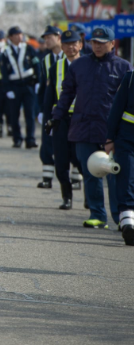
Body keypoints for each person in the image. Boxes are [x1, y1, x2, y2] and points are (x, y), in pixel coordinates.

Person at [52, 27, 132, 229]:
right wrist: (56, 117)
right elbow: (67, 93)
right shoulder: (79, 65)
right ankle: (97, 214)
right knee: (91, 173)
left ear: (112, 44)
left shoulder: (123, 68)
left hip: (112, 133)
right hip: (84, 128)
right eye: (94, 42)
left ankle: (120, 218)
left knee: (116, 175)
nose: (97, 45)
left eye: (102, 42)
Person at [43, 29, 84, 210]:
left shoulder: (88, 65)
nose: (70, 47)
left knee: (81, 159)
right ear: (62, 45)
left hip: (82, 119)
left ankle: (90, 197)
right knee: (61, 161)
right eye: (66, 44)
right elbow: (49, 96)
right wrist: (47, 118)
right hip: (61, 120)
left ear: (80, 45)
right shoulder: (56, 67)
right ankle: (66, 197)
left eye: (74, 43)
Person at [106, 66, 134, 246]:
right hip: (127, 138)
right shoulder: (130, 79)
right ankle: (127, 222)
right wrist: (109, 138)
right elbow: (116, 108)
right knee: (126, 176)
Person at [2, 26, 40, 149]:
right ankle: (17, 139)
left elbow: (36, 65)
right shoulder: (5, 52)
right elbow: (4, 73)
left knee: (29, 113)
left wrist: (38, 81)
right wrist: (7, 89)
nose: (19, 36)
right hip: (14, 86)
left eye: (20, 34)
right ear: (10, 37)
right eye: (16, 34)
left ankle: (30, 139)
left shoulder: (29, 48)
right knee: (14, 114)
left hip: (28, 84)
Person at [36, 26, 63, 189]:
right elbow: (42, 87)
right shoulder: (45, 60)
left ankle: (75, 177)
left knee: (70, 144)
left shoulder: (72, 58)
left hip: (68, 107)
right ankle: (47, 178)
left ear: (59, 37)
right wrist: (40, 109)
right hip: (49, 107)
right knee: (46, 143)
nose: (46, 41)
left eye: (49, 37)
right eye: (45, 38)